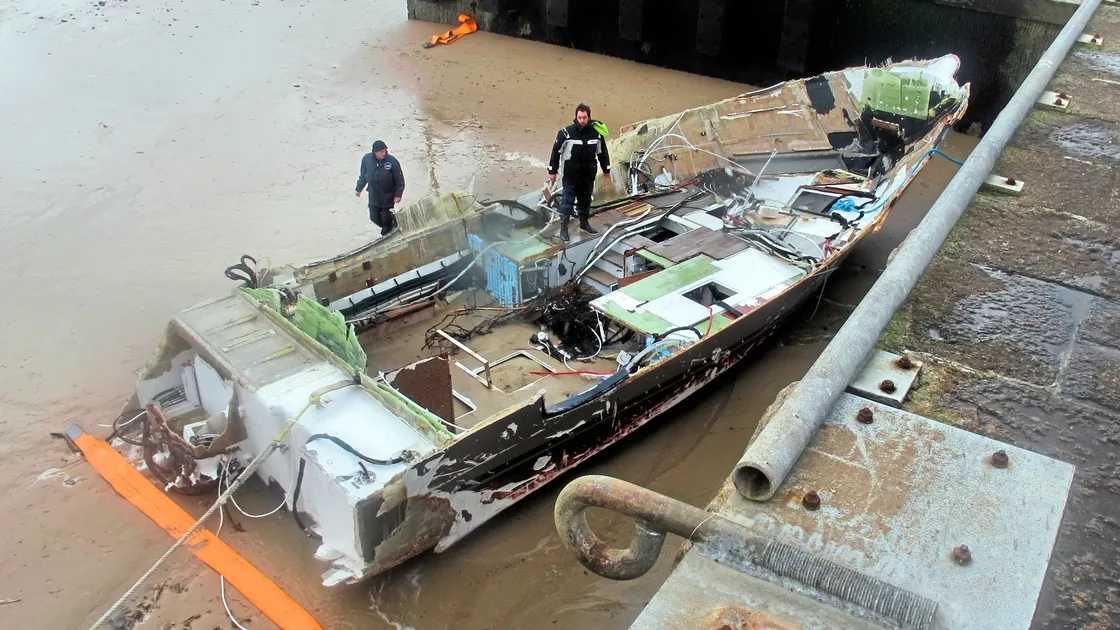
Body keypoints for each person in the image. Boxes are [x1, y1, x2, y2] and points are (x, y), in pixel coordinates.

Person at [548, 104, 611, 242]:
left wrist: (606, 169)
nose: (582, 120)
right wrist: (552, 170)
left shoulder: (597, 133)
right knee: (567, 203)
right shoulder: (566, 133)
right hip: (570, 175)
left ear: (589, 117)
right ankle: (563, 229)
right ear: (576, 117)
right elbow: (556, 151)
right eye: (579, 117)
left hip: (588, 175)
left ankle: (584, 224)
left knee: (585, 201)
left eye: (584, 117)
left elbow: (602, 153)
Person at [355, 140, 405, 236]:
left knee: (386, 221)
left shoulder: (392, 161)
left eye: (385, 151)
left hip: (388, 195)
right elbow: (363, 176)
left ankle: (387, 234)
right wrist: (358, 189)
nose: (383, 153)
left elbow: (399, 179)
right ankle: (394, 226)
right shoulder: (366, 159)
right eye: (381, 151)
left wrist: (398, 194)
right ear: (375, 152)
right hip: (373, 195)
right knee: (374, 217)